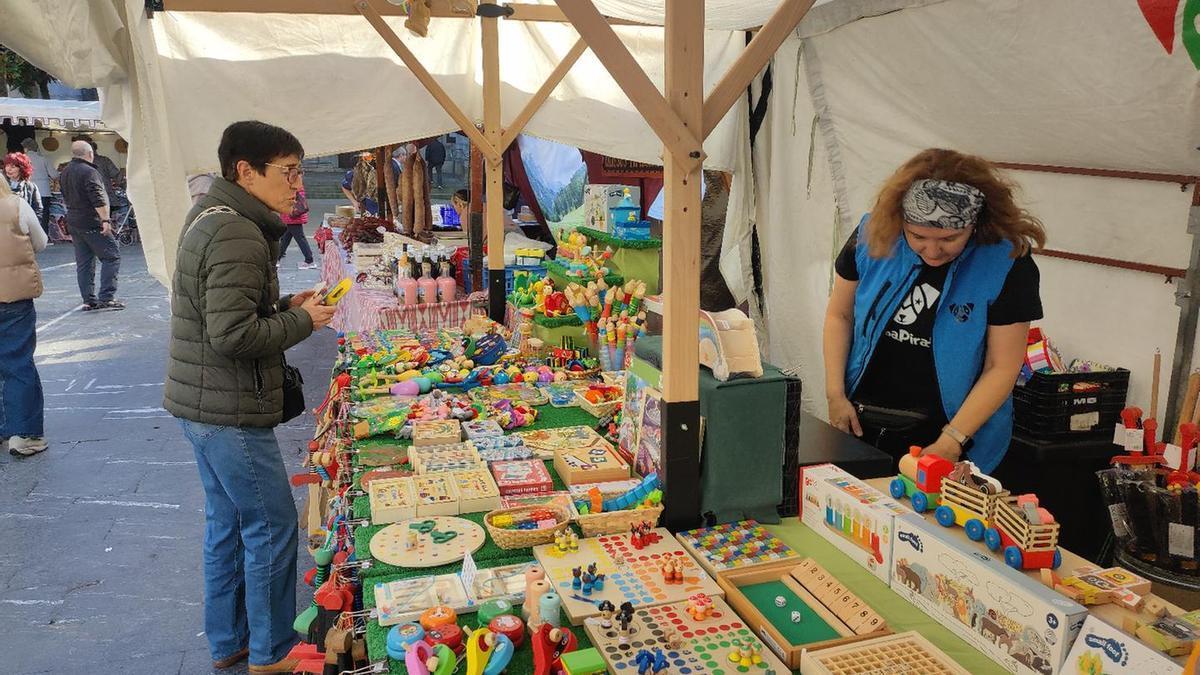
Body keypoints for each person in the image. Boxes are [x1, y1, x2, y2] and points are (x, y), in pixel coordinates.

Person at [164, 120, 336, 674]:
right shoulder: (237, 231)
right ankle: (273, 651)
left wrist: (288, 303)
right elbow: (233, 334)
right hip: (227, 405)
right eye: (288, 172)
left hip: (202, 401)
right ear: (246, 171)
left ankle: (230, 639)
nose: (296, 186)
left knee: (227, 523)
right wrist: (303, 322)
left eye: (299, 172)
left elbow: (227, 306)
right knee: (271, 525)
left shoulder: (214, 215)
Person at [823, 149, 1045, 473]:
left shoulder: (1006, 262)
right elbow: (838, 316)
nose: (932, 250)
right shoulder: (873, 235)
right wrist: (834, 394)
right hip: (864, 419)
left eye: (949, 238)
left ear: (976, 224)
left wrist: (952, 440)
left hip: (955, 431)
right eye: (917, 237)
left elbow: (1002, 366)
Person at [0, 178, 48, 457]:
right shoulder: (16, 205)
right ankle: (24, 435)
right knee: (17, 363)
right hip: (13, 297)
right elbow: (40, 242)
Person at [58, 141, 123, 311]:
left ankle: (88, 300)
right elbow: (98, 197)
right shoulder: (90, 171)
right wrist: (106, 220)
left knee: (84, 262)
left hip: (74, 220)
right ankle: (107, 297)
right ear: (90, 153)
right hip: (91, 221)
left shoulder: (65, 171)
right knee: (111, 256)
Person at [20, 137, 57, 235]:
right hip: (43, 190)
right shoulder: (44, 159)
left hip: (26, 190)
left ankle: (28, 236)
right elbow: (54, 175)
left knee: (27, 215)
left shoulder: (22, 160)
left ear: (25, 148)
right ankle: (43, 237)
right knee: (43, 215)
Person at [278, 186, 316, 269]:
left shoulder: (293, 186)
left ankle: (309, 260)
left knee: (299, 239)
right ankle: (277, 258)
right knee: (285, 238)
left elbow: (290, 200)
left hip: (292, 217)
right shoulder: (294, 185)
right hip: (290, 216)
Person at [4, 152, 43, 223]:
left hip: (24, 228)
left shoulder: (31, 186)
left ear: (21, 169)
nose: (8, 169)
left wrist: (32, 226)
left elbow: (38, 209)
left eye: (13, 167)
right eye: (7, 165)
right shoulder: (2, 184)